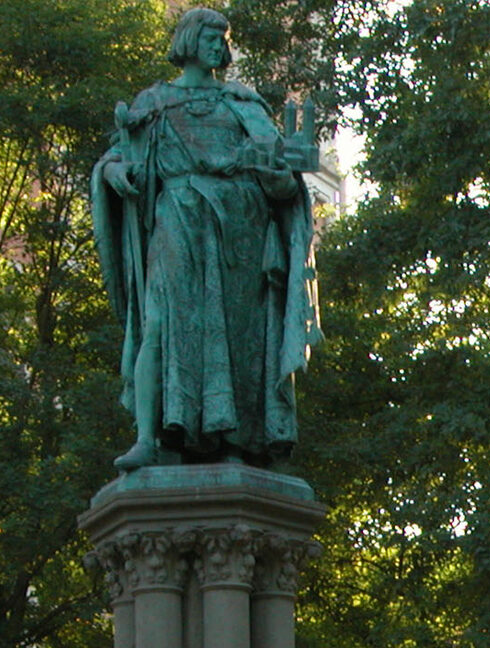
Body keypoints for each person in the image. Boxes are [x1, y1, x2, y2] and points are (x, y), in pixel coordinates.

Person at [93, 8, 320, 470]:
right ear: (190, 40)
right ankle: (149, 438)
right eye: (212, 37)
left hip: (240, 230)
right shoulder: (154, 102)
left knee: (239, 336)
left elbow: (280, 181)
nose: (220, 45)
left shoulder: (243, 103)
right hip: (177, 219)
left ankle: (237, 440)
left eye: (224, 38)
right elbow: (119, 155)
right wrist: (114, 171)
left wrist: (283, 171)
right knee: (159, 325)